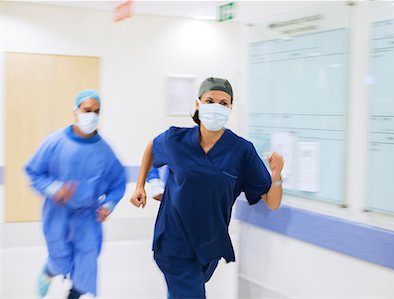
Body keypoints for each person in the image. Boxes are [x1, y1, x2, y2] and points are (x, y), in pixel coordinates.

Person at [130, 77, 284, 298]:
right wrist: (139, 186)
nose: (216, 107)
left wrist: (277, 177)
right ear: (197, 104)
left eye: (223, 103)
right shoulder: (176, 139)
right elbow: (151, 147)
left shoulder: (242, 151)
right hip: (174, 241)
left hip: (209, 245)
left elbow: (272, 201)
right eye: (210, 100)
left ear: (231, 107)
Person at [24, 90, 126, 299]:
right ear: (76, 111)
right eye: (87, 110)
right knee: (59, 258)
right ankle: (49, 271)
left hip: (88, 218)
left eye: (97, 111)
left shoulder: (104, 151)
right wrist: (54, 188)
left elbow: (118, 183)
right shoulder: (55, 142)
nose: (92, 116)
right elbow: (34, 172)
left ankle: (73, 295)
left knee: (86, 266)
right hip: (57, 214)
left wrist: (108, 205)